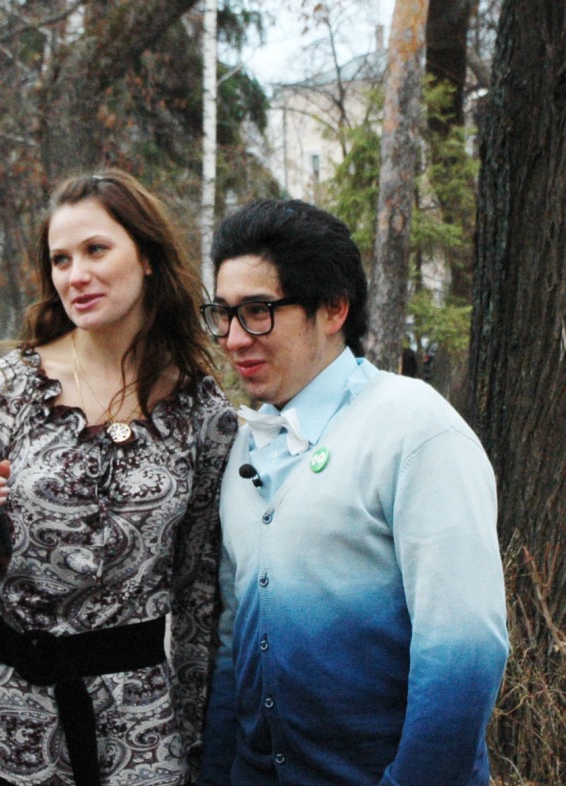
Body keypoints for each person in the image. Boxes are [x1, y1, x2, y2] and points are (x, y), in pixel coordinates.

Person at [0, 170, 238, 786]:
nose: (76, 275)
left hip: (136, 735)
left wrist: (199, 744)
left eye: (96, 250)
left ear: (146, 257)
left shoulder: (203, 412)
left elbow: (200, 598)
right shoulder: (8, 388)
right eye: (61, 260)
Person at [197, 199, 508, 786]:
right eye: (223, 314)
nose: (233, 338)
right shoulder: (247, 447)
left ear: (334, 308)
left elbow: (464, 655)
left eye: (258, 311)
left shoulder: (414, 429)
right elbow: (234, 647)